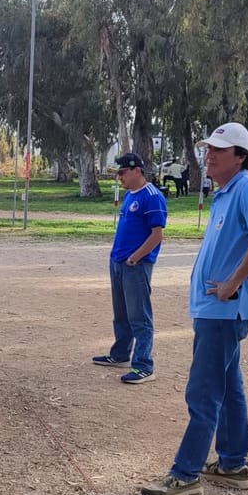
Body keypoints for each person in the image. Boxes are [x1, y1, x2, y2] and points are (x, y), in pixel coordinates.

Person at [141, 122, 248, 495]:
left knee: (204, 392)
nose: (209, 155)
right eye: (208, 148)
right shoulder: (226, 192)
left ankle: (185, 475)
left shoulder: (246, 186)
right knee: (229, 387)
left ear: (241, 156)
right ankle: (233, 465)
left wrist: (234, 281)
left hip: (223, 312)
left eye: (219, 149)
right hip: (216, 311)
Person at [92, 152, 167, 384]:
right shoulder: (128, 195)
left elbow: (157, 235)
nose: (119, 177)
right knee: (121, 313)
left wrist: (136, 257)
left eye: (123, 172)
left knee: (139, 316)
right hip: (118, 262)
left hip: (136, 265)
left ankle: (144, 365)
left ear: (137, 170)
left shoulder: (152, 196)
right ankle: (121, 353)